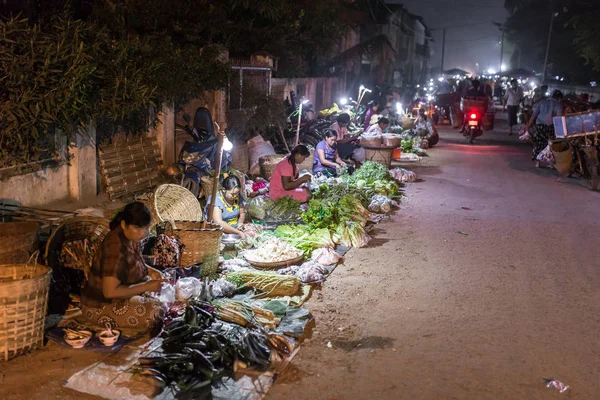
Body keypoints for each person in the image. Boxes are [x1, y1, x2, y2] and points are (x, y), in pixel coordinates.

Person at [81, 202, 166, 332]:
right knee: (155, 311)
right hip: (100, 306)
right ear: (123, 224)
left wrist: (150, 270)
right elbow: (109, 292)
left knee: (160, 292)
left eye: (146, 228)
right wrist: (147, 286)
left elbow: (132, 262)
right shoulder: (115, 247)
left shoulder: (131, 237)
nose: (143, 233)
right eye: (138, 228)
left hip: (119, 296)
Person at [525, 90, 564, 167]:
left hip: (539, 126)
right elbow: (559, 118)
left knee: (538, 143)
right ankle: (550, 163)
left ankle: (538, 162)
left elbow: (534, 114)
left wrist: (528, 125)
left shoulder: (542, 102)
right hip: (550, 127)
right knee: (549, 144)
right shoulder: (558, 105)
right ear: (559, 98)